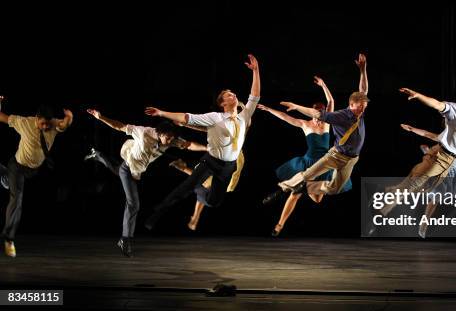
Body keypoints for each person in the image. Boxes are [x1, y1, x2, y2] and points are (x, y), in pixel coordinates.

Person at [373, 50, 456, 226]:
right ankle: (384, 201)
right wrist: (418, 96)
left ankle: (386, 201)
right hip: (443, 157)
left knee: (429, 190)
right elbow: (437, 104)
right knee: (417, 185)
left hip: (451, 162)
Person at [143, 54, 260, 229]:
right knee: (186, 188)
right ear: (222, 103)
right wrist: (162, 113)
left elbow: (255, 96)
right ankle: (157, 212)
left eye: (233, 93)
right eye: (228, 95)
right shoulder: (215, 117)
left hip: (229, 166)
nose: (233, 95)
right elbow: (187, 117)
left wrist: (256, 71)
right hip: (211, 162)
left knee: (214, 202)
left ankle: (201, 195)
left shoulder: (244, 117)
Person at [85, 109, 206, 256]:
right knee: (133, 203)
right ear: (160, 133)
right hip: (128, 168)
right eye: (167, 138)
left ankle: (97, 155)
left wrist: (207, 148)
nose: (169, 141)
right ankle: (125, 239)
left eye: (170, 139)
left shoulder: (170, 140)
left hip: (136, 171)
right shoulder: (143, 132)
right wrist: (101, 117)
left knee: (116, 170)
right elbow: (119, 126)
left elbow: (188, 145)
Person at [263, 54, 368, 209]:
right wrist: (295, 107)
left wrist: (363, 69)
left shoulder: (357, 112)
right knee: (306, 175)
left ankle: (304, 188)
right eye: (360, 106)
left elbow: (362, 91)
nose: (363, 109)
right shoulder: (334, 117)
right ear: (351, 105)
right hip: (333, 156)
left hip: (351, 159)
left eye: (364, 106)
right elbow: (299, 115)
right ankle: (281, 189)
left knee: (335, 188)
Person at [259, 76, 351, 236]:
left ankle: (303, 186)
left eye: (322, 114)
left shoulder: (328, 122)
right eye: (317, 114)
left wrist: (323, 85)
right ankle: (279, 225)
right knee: (295, 194)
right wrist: (269, 110)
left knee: (317, 200)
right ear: (313, 113)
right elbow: (285, 116)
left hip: (325, 163)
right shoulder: (305, 124)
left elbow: (331, 101)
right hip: (308, 162)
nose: (320, 118)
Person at [0, 100, 73, 257]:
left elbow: (65, 124)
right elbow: (2, 117)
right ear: (36, 118)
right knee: (17, 201)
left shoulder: (54, 124)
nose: (45, 127)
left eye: (47, 124)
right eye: (42, 124)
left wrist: (69, 117)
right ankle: (8, 238)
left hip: (32, 170)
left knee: (13, 190)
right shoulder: (25, 122)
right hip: (17, 167)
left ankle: (5, 177)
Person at [400, 123, 456, 238]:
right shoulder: (445, 137)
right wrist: (412, 129)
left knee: (454, 200)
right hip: (444, 169)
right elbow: (427, 134)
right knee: (435, 198)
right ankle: (424, 223)